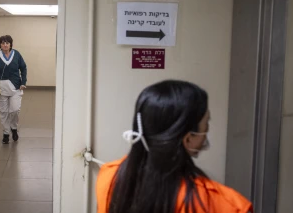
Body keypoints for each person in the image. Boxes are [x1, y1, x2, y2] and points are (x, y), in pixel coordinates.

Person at [96, 80, 253, 213]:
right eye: (207, 123)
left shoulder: (109, 176)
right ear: (189, 139)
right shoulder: (229, 206)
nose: (207, 131)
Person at [0, 35, 27, 144]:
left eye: (7, 43)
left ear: (10, 44)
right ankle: (6, 133)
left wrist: (23, 82)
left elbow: (23, 68)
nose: (5, 45)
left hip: (15, 87)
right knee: (3, 112)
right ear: (0, 44)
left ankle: (13, 128)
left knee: (14, 110)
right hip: (0, 88)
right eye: (3, 43)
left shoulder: (17, 54)